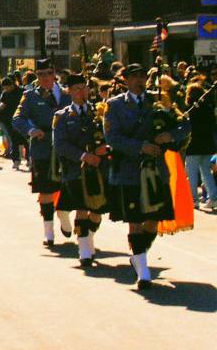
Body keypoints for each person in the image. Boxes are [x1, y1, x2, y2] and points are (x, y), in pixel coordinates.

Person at [104, 63, 189, 289]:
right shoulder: (114, 105)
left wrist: (169, 135)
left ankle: (139, 254)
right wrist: (140, 146)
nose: (139, 81)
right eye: (134, 77)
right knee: (134, 220)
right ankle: (143, 271)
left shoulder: (160, 102)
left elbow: (185, 125)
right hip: (130, 171)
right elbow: (112, 137)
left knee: (153, 219)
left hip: (157, 171)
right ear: (125, 80)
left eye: (142, 76)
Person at [13, 58, 72, 247]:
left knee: (67, 187)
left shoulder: (66, 94)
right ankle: (48, 231)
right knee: (45, 189)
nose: (44, 78)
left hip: (66, 148)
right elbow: (18, 118)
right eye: (40, 75)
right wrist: (31, 130)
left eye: (47, 73)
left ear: (54, 73)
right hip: (42, 147)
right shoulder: (30, 96)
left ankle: (63, 215)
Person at [52, 74, 110, 266]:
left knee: (96, 212)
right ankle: (84, 249)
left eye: (83, 87)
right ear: (68, 91)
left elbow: (108, 136)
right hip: (76, 170)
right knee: (82, 209)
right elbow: (60, 145)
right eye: (76, 88)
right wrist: (85, 156)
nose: (81, 91)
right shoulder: (62, 116)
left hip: (98, 170)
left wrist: (103, 150)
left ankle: (89, 237)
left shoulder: (99, 113)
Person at [184, 80, 217, 210]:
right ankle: (213, 197)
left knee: (191, 173)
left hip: (194, 144)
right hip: (207, 143)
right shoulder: (208, 108)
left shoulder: (191, 109)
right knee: (206, 172)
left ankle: (194, 200)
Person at [0, 75, 26, 170]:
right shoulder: (5, 94)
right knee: (14, 140)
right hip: (9, 120)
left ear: (11, 85)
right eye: (4, 88)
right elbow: (2, 103)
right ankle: (16, 160)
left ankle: (29, 160)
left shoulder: (22, 91)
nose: (6, 89)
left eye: (7, 87)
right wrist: (1, 106)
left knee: (25, 140)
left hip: (22, 118)